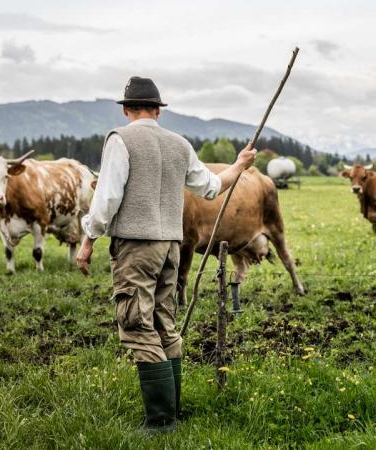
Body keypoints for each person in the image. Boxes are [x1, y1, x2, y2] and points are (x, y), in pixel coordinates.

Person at [76, 76, 256, 433]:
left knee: (137, 324)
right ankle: (173, 411)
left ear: (126, 109)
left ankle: (160, 422)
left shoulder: (120, 139)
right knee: (164, 322)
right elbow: (212, 187)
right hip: (171, 247)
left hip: (136, 246)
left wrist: (88, 239)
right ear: (158, 111)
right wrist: (239, 164)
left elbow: (107, 198)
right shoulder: (179, 144)